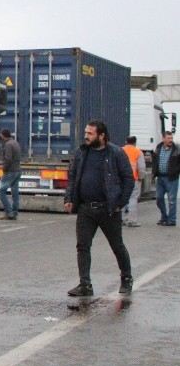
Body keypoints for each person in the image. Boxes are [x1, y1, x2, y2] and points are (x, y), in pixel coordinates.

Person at [63, 120, 134, 296]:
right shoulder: (81, 153)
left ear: (102, 136)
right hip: (86, 209)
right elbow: (72, 177)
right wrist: (69, 198)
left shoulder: (116, 153)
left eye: (90, 133)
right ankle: (85, 285)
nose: (86, 136)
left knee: (117, 246)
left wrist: (120, 203)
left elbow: (128, 179)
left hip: (108, 209)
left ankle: (126, 278)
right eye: (86, 132)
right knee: (83, 246)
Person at [152, 131, 179, 227]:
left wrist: (176, 171)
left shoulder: (177, 149)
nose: (170, 140)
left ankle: (172, 220)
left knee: (172, 200)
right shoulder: (158, 148)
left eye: (171, 138)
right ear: (163, 139)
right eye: (168, 138)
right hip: (160, 177)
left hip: (172, 178)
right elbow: (154, 161)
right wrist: (153, 172)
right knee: (159, 198)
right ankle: (164, 217)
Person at [0, 129, 22, 220]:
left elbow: (8, 159)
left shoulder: (8, 145)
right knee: (15, 192)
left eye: (0, 135)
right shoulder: (15, 143)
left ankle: (9, 212)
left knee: (1, 191)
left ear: (3, 135)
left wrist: (4, 169)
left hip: (10, 171)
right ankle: (14, 212)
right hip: (17, 170)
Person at [121, 135, 145, 227]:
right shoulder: (138, 152)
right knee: (132, 199)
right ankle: (132, 220)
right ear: (135, 142)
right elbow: (141, 167)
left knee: (122, 198)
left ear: (126, 141)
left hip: (121, 179)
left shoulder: (120, 150)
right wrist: (141, 177)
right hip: (133, 179)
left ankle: (120, 219)